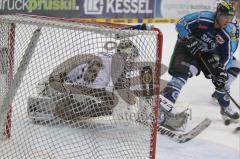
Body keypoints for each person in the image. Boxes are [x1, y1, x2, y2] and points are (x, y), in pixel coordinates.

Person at [158, 0, 240, 130]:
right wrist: (189, 39)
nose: (227, 20)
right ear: (218, 14)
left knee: (221, 79)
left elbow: (227, 53)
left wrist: (221, 69)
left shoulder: (228, 30)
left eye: (230, 18)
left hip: (207, 53)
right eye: (225, 17)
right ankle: (160, 112)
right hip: (186, 49)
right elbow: (181, 24)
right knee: (180, 78)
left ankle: (225, 107)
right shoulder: (203, 18)